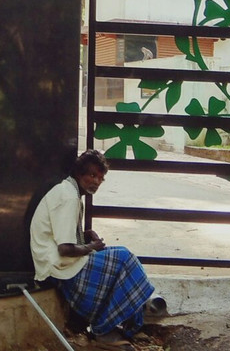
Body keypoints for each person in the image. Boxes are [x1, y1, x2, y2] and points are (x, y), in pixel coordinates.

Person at [29, 149, 165, 349]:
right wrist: (91, 246)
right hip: (59, 268)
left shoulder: (71, 192)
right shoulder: (68, 196)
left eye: (101, 178)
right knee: (124, 258)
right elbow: (65, 249)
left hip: (62, 263)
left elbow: (61, 235)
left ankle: (126, 315)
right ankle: (107, 326)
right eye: (92, 175)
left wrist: (84, 236)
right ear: (79, 173)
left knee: (119, 259)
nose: (96, 182)